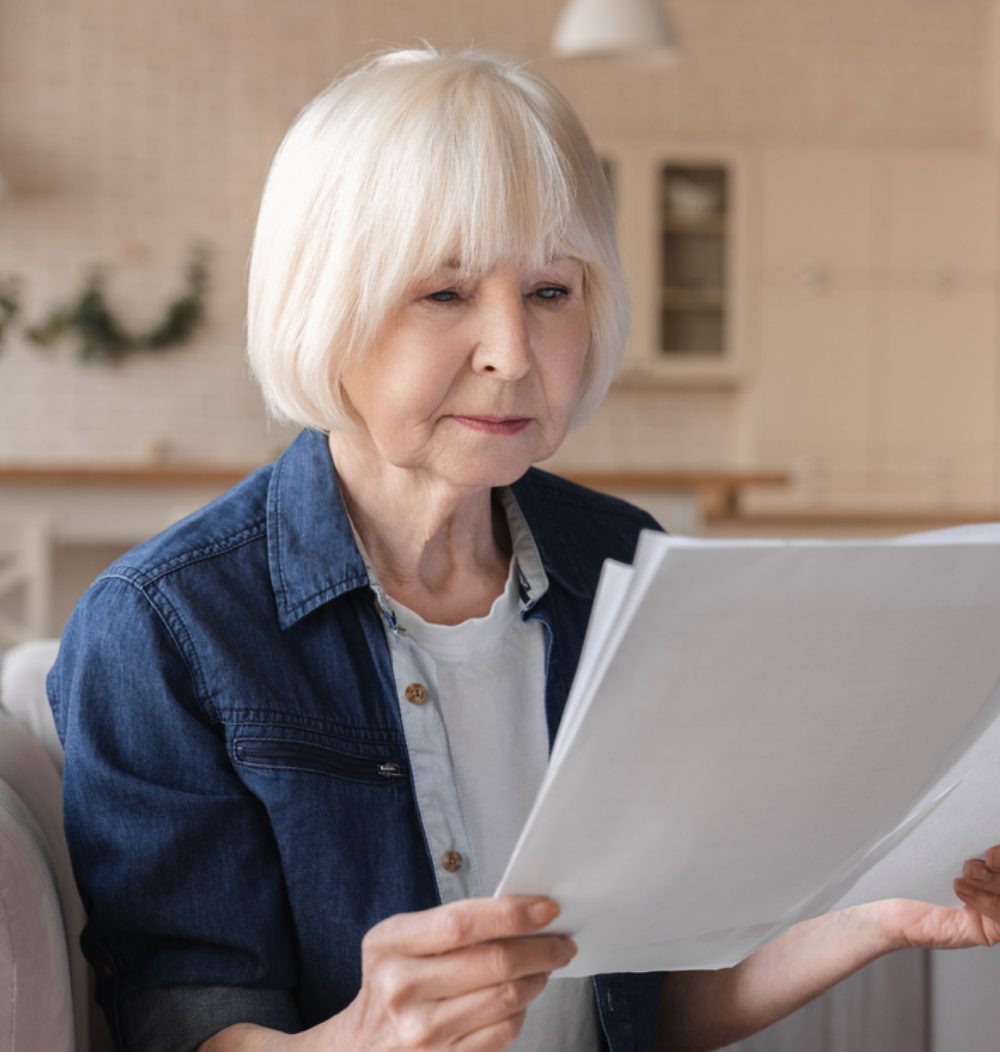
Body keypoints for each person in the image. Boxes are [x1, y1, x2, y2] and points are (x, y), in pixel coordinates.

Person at [48, 45, 1000, 1052]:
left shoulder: (625, 563)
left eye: (550, 290)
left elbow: (646, 1006)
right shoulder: (165, 624)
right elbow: (182, 1016)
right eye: (445, 293)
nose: (511, 351)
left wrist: (878, 917)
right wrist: (366, 1036)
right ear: (323, 306)